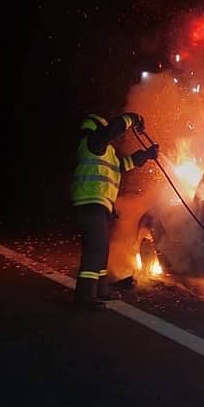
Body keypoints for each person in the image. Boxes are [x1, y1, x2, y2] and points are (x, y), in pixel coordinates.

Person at [71, 112, 158, 309]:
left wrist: (146, 155)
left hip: (98, 206)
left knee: (101, 249)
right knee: (95, 250)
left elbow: (122, 165)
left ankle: (100, 290)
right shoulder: (93, 142)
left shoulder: (103, 151)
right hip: (90, 205)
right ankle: (84, 297)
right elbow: (113, 128)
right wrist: (133, 118)